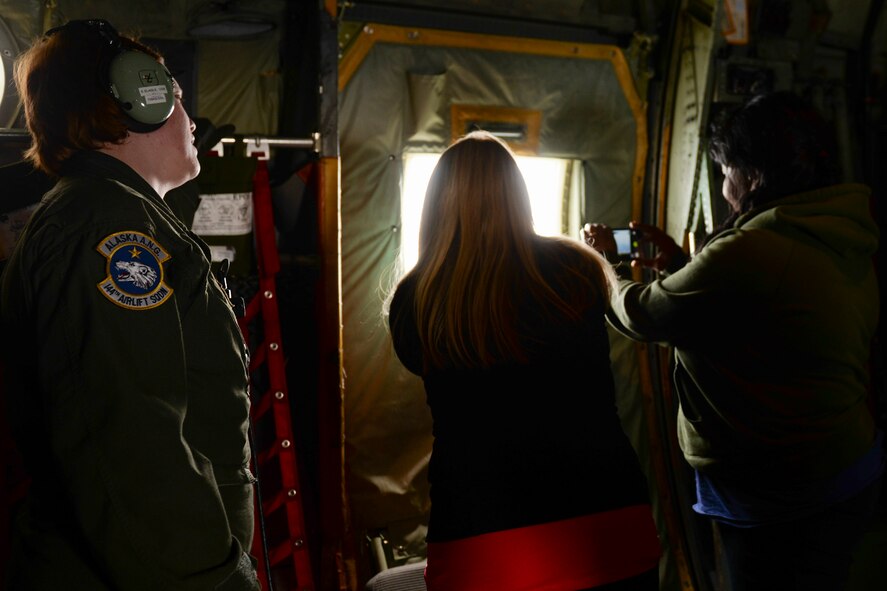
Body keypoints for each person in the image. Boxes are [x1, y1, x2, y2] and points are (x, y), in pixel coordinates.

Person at [585, 91, 884, 590]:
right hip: (847, 467)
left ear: (754, 175)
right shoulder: (836, 228)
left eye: (726, 173)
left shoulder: (751, 248)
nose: (724, 189)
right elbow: (757, 315)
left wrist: (599, 270)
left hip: (780, 493)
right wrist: (681, 268)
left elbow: (645, 314)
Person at [0, 19, 260, 590]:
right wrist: (215, 580)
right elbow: (132, 448)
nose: (190, 122)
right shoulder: (108, 228)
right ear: (138, 99)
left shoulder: (114, 214)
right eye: (177, 99)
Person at [387, 131, 661, 591]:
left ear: (436, 206)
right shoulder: (578, 268)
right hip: (611, 524)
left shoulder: (419, 298)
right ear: (519, 196)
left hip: (484, 541)